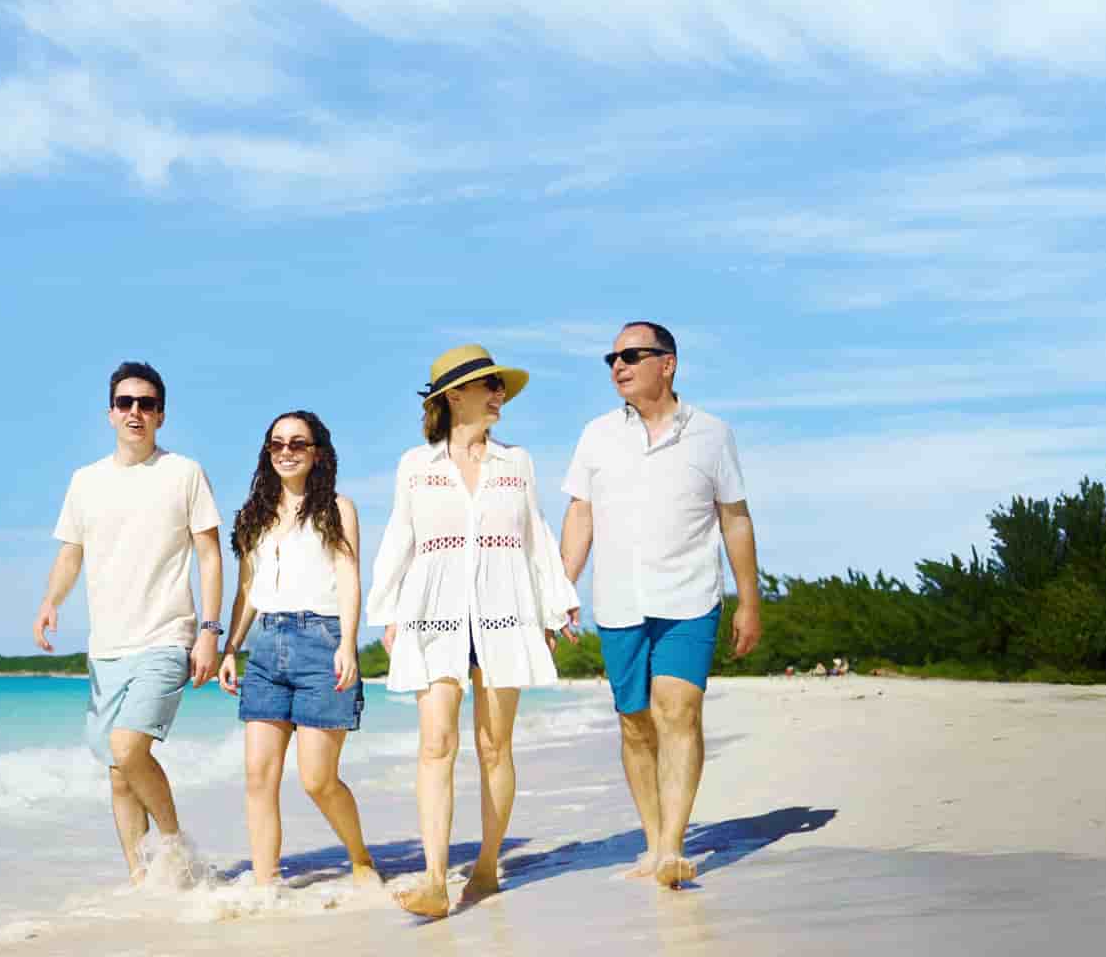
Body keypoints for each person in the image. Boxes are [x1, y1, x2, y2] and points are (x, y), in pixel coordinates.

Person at [368, 344, 581, 918]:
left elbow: (536, 536)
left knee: (494, 745)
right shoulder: (416, 465)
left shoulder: (518, 463)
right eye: (488, 384)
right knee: (436, 742)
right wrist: (386, 612)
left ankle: (486, 866)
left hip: (504, 610)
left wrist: (557, 605)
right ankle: (435, 880)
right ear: (452, 396)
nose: (498, 394)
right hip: (433, 612)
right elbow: (399, 537)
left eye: (500, 385)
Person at [559, 322, 763, 889]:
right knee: (634, 724)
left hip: (690, 597)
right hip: (619, 602)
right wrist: (562, 588)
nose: (617, 366)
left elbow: (735, 519)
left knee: (678, 710)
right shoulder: (596, 436)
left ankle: (673, 846)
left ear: (666, 363)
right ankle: (653, 842)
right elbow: (581, 517)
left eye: (630, 355)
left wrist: (749, 600)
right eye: (612, 358)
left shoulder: (713, 435)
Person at [33, 361, 224, 886]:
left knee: (128, 749)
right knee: (119, 776)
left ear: (160, 414)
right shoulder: (85, 482)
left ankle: (175, 848)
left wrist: (211, 631)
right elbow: (72, 552)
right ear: (110, 414)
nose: (135, 412)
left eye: (146, 404)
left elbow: (209, 554)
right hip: (107, 647)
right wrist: (52, 600)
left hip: (166, 636)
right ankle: (144, 883)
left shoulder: (183, 473)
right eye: (125, 403)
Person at [217, 411, 380, 889]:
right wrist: (231, 648)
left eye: (298, 443)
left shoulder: (337, 508)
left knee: (317, 779)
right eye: (277, 444)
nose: (286, 451)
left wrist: (349, 644)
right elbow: (246, 589)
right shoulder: (254, 515)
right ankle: (265, 883)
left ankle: (361, 858)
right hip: (265, 650)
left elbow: (350, 579)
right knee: (257, 777)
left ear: (317, 453)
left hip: (321, 645)